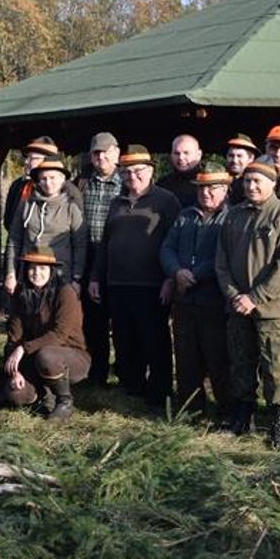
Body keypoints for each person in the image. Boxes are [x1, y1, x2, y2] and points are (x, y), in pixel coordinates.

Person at [216, 160, 280, 449]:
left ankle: (279, 425)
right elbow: (221, 262)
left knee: (275, 366)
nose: (251, 186)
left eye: (258, 182)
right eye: (247, 181)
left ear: (273, 184)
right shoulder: (234, 216)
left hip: (272, 310)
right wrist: (233, 295)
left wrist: (254, 297)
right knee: (240, 363)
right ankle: (243, 418)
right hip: (237, 307)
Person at [89, 144, 180, 415]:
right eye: (127, 172)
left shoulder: (166, 201)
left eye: (138, 171)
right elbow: (105, 243)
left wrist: (170, 279)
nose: (133, 177)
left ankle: (160, 392)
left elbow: (174, 243)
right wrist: (96, 277)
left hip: (151, 284)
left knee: (154, 339)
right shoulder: (116, 202)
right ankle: (132, 386)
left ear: (151, 171)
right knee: (124, 337)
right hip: (118, 282)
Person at [159, 164, 233, 425]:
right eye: (202, 189)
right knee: (186, 357)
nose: (206, 194)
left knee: (218, 359)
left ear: (225, 189)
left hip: (213, 299)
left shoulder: (231, 218)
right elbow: (167, 248)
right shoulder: (185, 216)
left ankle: (225, 413)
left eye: (213, 188)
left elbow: (223, 257)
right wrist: (176, 271)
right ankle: (191, 410)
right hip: (184, 300)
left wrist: (194, 275)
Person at [4, 246, 90, 421]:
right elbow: (14, 335)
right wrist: (15, 371)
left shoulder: (65, 293)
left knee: (47, 356)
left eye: (42, 268)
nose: (37, 273)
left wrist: (23, 349)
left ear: (51, 271)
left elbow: (59, 334)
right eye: (32, 268)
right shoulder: (21, 294)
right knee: (16, 396)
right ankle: (45, 394)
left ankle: (64, 401)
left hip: (69, 355)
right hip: (32, 356)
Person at [74, 132, 122, 386]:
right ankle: (97, 373)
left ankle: (127, 375)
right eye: (96, 153)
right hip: (89, 255)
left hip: (119, 258)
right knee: (94, 321)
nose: (100, 157)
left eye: (105, 152)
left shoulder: (128, 182)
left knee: (123, 320)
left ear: (116, 153)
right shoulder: (81, 183)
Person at [4, 154, 87, 296]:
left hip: (62, 276)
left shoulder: (71, 208)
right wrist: (11, 273)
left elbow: (80, 245)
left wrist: (76, 278)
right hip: (30, 274)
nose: (48, 183)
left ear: (62, 179)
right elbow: (14, 240)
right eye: (44, 178)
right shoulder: (26, 205)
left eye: (53, 178)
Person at [3, 136, 59, 231]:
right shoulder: (17, 185)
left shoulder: (66, 189)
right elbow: (8, 221)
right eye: (27, 157)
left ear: (47, 161)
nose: (26, 161)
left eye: (32, 158)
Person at [156, 134, 203, 207]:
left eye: (186, 153)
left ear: (199, 155)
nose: (181, 157)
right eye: (176, 153)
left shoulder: (208, 183)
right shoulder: (162, 184)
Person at [225, 133, 259, 206]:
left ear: (251, 158)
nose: (234, 160)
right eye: (231, 156)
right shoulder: (219, 179)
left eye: (239, 156)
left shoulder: (256, 182)